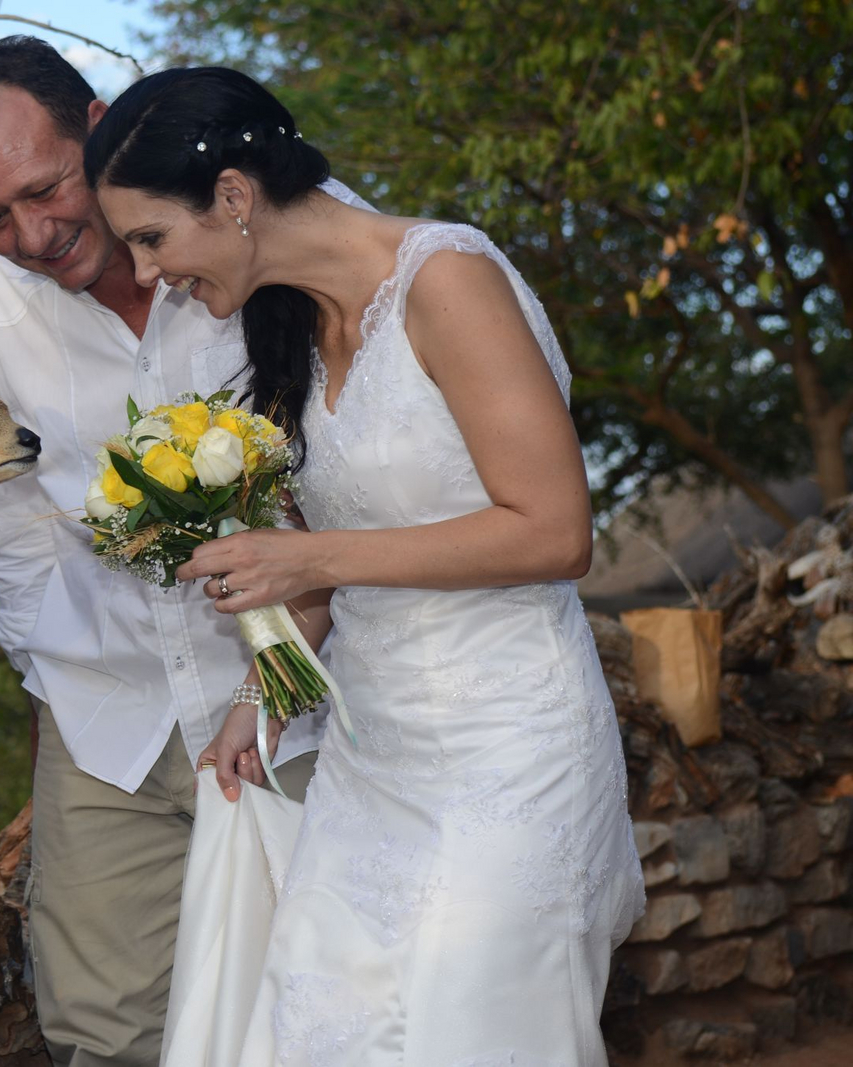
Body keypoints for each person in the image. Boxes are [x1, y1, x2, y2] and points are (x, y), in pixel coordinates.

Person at [84, 67, 646, 1065]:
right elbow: (335, 582)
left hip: (510, 748)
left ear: (232, 197)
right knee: (326, 1026)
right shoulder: (288, 326)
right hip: (369, 756)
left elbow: (554, 530)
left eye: (149, 237)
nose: (144, 271)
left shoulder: (446, 278)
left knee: (472, 1025)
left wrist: (303, 553)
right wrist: (264, 693)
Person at [0, 39, 329, 1066]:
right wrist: (49, 685)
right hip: (108, 711)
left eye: (46, 186)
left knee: (331, 991)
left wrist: (289, 664)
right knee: (100, 1025)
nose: (30, 233)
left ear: (101, 124)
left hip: (305, 686)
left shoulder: (264, 224)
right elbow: (15, 519)